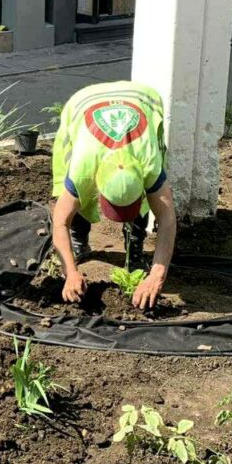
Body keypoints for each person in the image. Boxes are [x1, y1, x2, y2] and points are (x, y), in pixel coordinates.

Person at [50, 81, 178, 309]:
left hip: (142, 98)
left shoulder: (148, 163)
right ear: (98, 188)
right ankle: (79, 242)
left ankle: (134, 250)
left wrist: (157, 275)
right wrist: (70, 272)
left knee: (153, 201)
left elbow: (167, 219)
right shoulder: (83, 167)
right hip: (83, 100)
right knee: (73, 195)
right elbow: (60, 220)